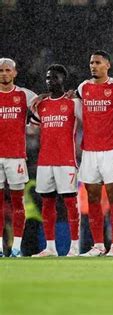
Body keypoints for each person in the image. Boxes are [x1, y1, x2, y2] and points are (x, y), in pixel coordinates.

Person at [77, 50, 113, 257]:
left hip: (112, 149)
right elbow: (69, 100)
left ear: (107, 65)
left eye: (98, 63)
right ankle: (98, 245)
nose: (93, 66)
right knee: (93, 197)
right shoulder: (83, 88)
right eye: (91, 62)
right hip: (90, 150)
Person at [30, 64, 81, 257]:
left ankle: (74, 247)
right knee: (47, 203)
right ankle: (50, 247)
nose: (50, 81)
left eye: (54, 77)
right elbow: (32, 127)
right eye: (47, 78)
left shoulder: (72, 103)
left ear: (63, 79)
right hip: (45, 161)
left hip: (66, 160)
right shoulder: (41, 104)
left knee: (70, 203)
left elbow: (88, 119)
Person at [0, 58, 37, 257]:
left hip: (16, 157)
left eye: (8, 70)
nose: (4, 74)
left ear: (15, 73)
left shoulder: (25, 95)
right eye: (1, 71)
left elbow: (43, 111)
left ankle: (16, 247)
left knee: (17, 202)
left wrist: (32, 128)